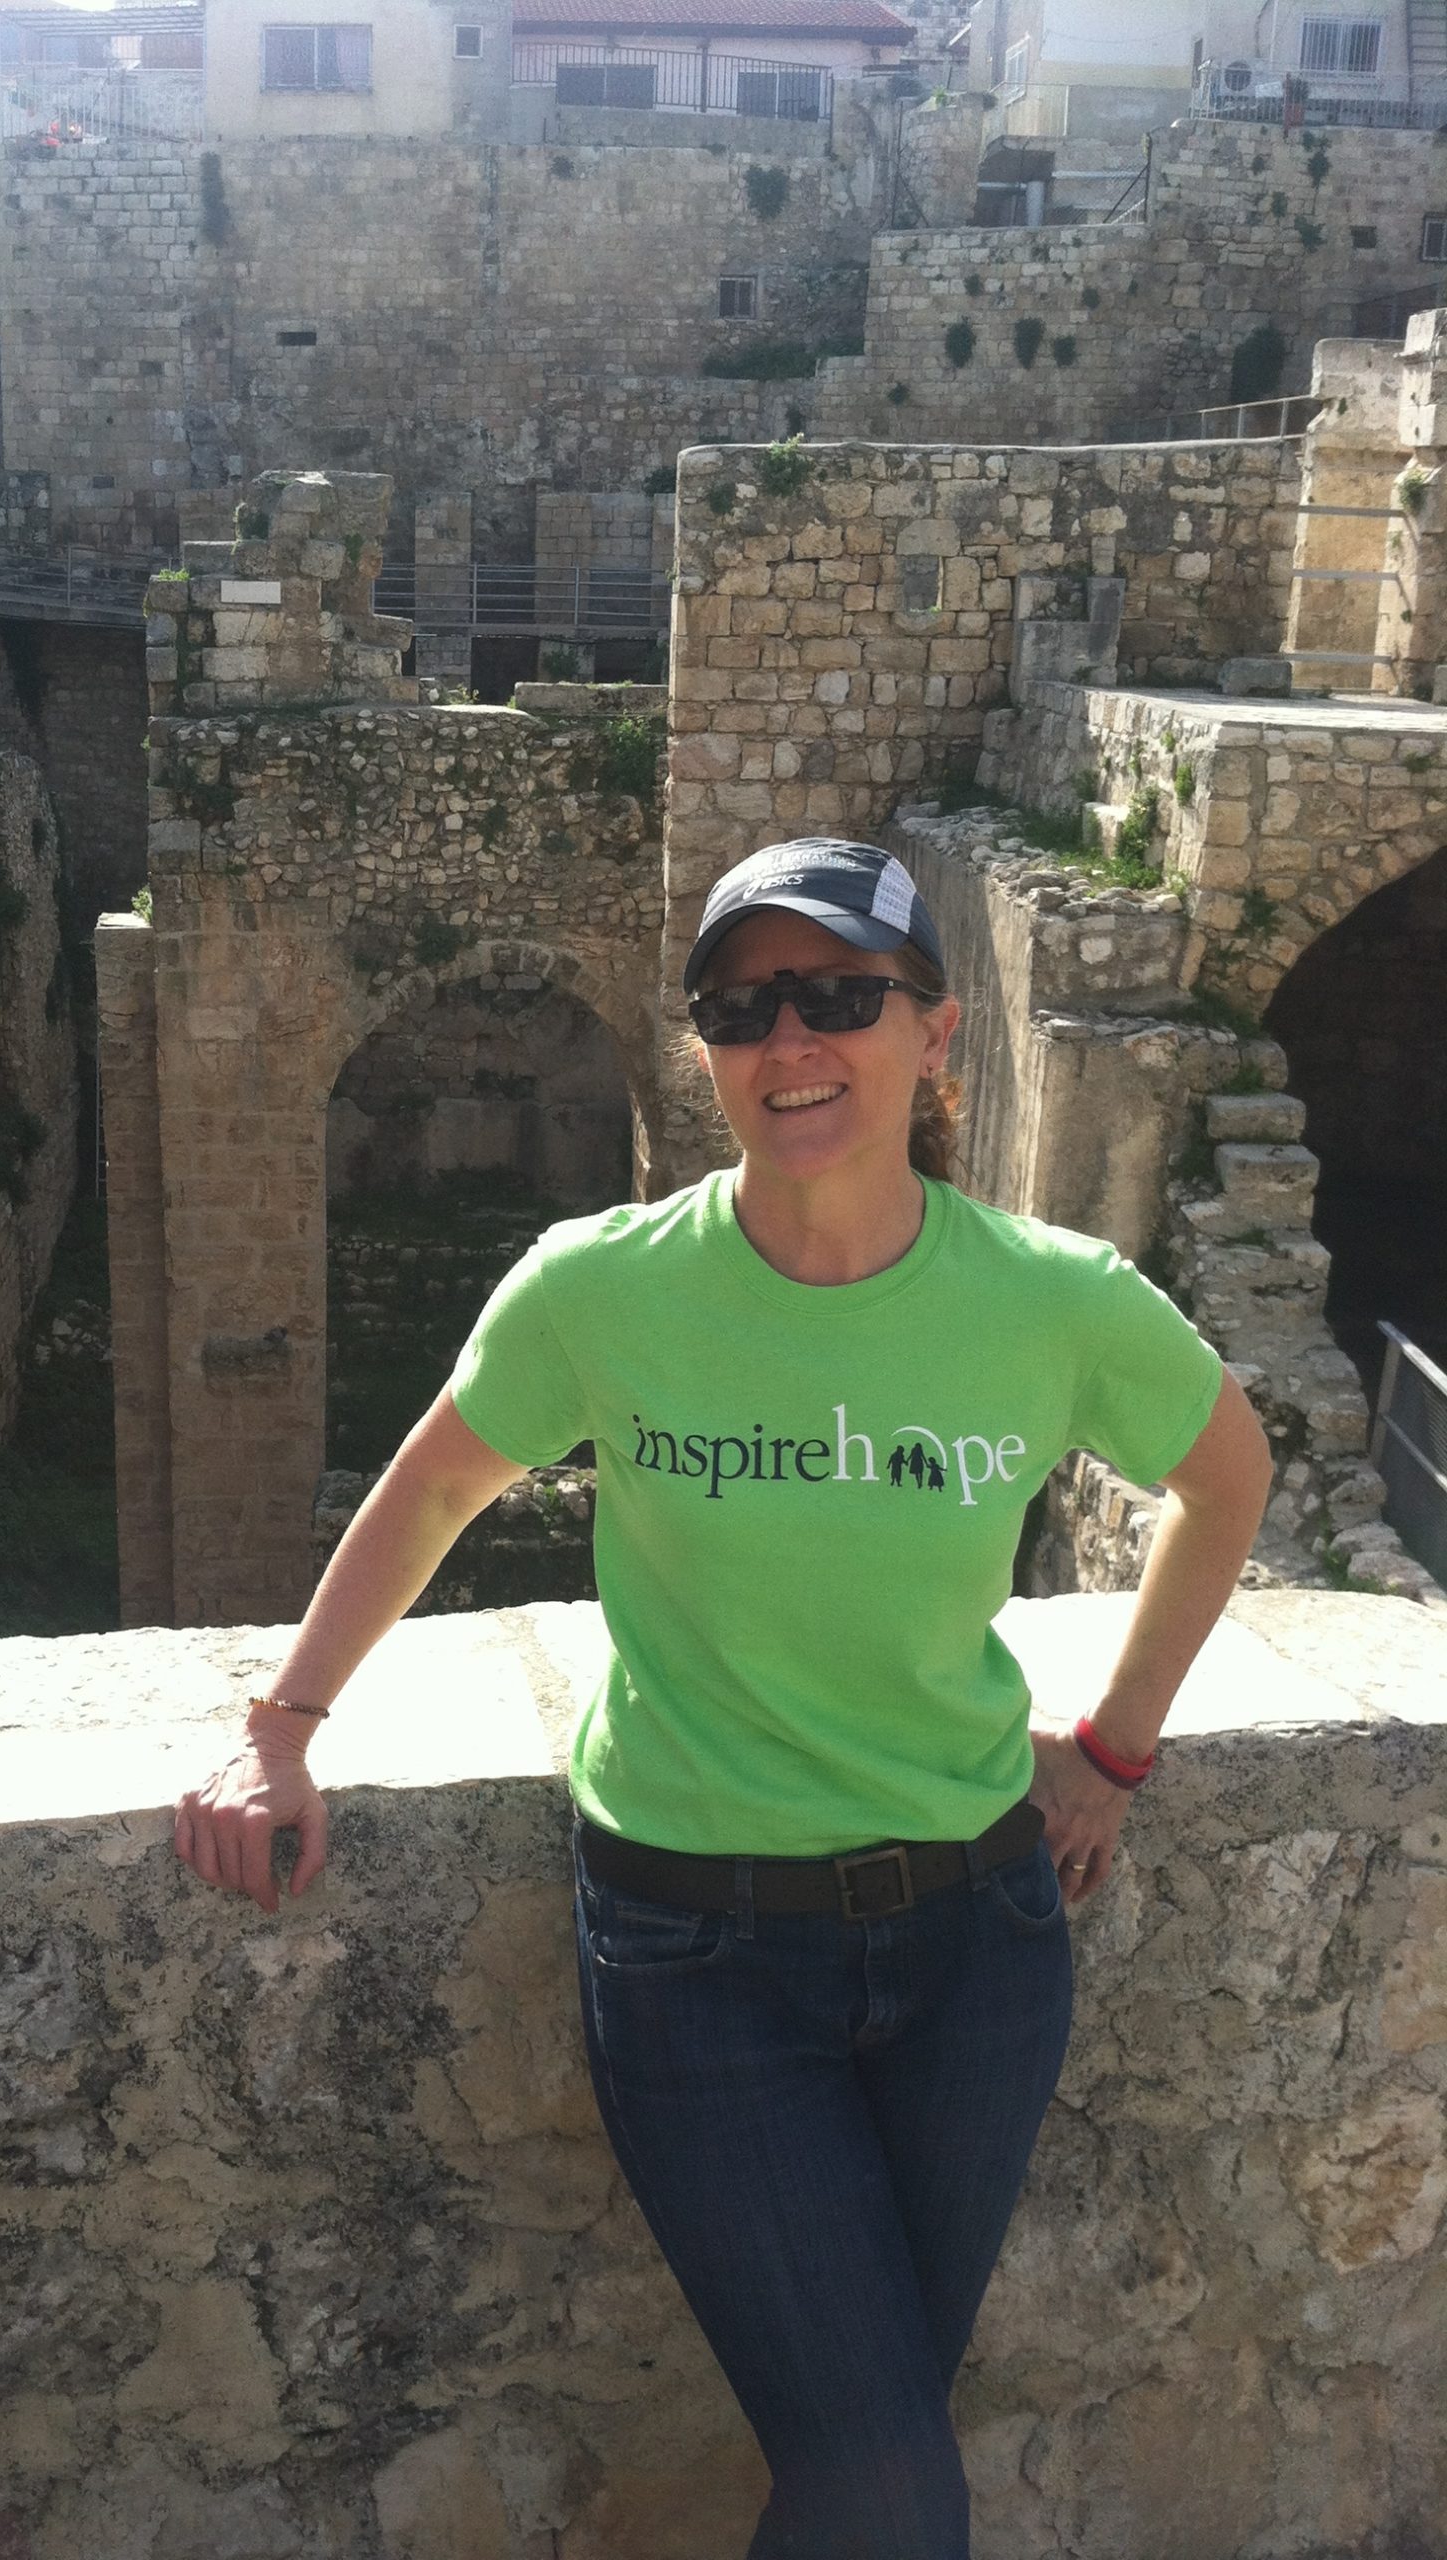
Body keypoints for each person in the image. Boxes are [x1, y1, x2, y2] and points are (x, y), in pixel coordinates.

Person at [174, 839, 1274, 2559]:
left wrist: (1116, 1746)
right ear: (702, 1049)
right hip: (701, 1957)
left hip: (981, 1943)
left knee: (872, 2451)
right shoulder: (604, 1290)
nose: (790, 1042)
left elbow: (1231, 1475)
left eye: (839, 997)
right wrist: (283, 1726)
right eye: (741, 1007)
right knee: (895, 2484)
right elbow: (433, 1489)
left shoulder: (1053, 1302)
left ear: (937, 1034)